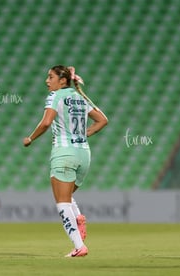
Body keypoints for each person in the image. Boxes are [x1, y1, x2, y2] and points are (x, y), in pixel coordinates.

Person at [23, 65, 108, 257]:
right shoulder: (80, 96)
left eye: (50, 77)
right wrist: (85, 134)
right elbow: (102, 120)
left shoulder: (56, 96)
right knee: (68, 196)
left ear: (62, 80)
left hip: (64, 153)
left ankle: (79, 247)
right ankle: (78, 217)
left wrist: (30, 138)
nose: (47, 80)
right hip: (84, 154)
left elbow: (46, 122)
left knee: (62, 203)